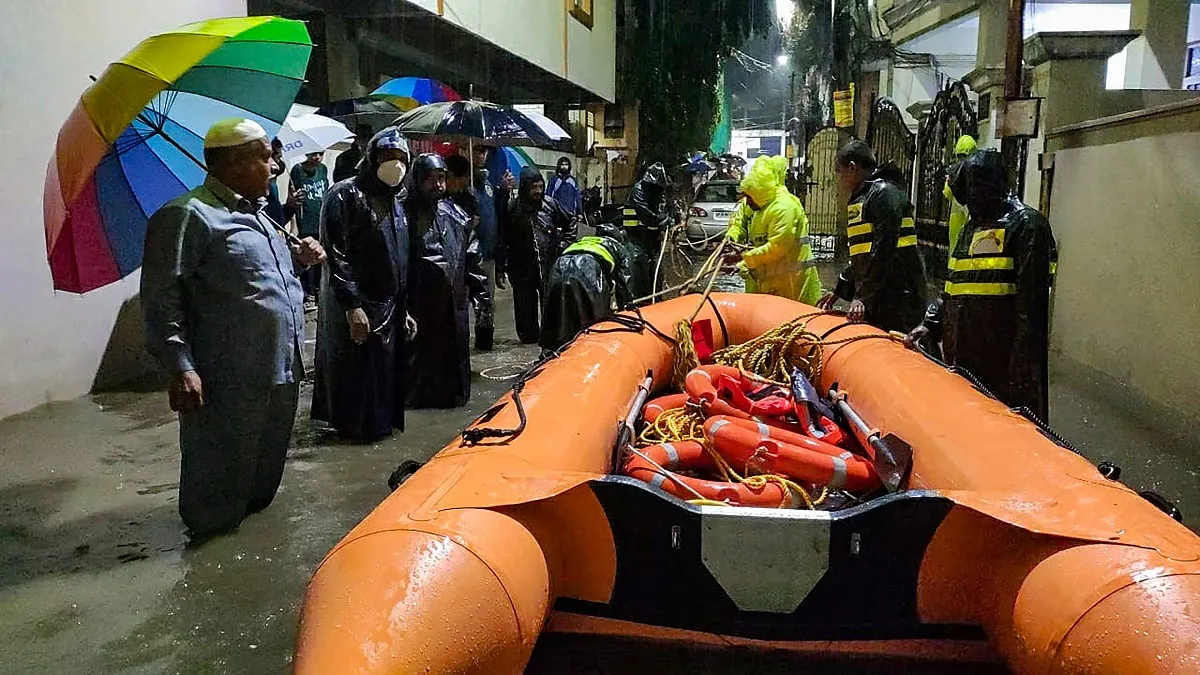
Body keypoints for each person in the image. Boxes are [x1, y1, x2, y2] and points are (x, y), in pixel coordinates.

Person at [140, 118, 326, 540]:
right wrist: (180, 366)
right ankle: (209, 549)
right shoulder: (188, 216)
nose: (276, 166)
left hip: (280, 367)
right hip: (228, 376)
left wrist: (302, 259)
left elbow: (258, 281)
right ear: (234, 162)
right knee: (217, 478)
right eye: (266, 157)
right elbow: (161, 299)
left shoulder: (261, 216)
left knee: (261, 481)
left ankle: (253, 547)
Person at [906, 150, 1058, 420]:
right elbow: (953, 288)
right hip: (964, 363)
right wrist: (930, 323)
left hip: (1001, 369)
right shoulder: (971, 227)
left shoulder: (1026, 226)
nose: (971, 200)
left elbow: (1030, 312)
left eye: (974, 190)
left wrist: (1021, 374)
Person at [311, 127, 416, 442]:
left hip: (389, 303)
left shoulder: (396, 201)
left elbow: (399, 258)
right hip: (358, 303)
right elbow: (336, 253)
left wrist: (404, 307)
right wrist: (351, 306)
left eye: (401, 158)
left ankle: (377, 427)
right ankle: (354, 431)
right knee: (356, 372)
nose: (394, 164)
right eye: (387, 157)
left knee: (384, 374)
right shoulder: (344, 194)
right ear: (371, 159)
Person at [817, 140, 927, 332]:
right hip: (882, 295)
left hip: (899, 298)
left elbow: (883, 250)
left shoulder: (883, 194)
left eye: (839, 172)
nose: (839, 179)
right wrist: (841, 288)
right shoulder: (865, 197)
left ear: (852, 168)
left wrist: (863, 297)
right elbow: (863, 254)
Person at [404, 153, 480, 409]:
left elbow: (471, 251)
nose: (437, 185)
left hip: (454, 302)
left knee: (454, 361)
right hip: (419, 303)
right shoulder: (403, 215)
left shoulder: (455, 213)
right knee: (419, 365)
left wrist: (481, 295)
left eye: (441, 178)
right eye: (430, 179)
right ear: (417, 180)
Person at [724, 156, 821, 304]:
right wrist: (732, 236)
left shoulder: (784, 208)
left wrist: (742, 261)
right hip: (762, 281)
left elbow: (777, 247)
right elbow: (739, 222)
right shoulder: (754, 203)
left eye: (749, 198)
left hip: (793, 285)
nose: (747, 202)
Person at [499, 166, 577, 344]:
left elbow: (570, 220)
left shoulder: (549, 204)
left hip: (547, 263)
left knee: (551, 306)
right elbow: (503, 237)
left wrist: (565, 244)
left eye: (540, 187)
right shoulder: (513, 209)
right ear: (526, 187)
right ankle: (530, 338)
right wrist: (500, 266)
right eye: (533, 187)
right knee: (525, 312)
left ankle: (551, 337)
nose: (538, 191)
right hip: (521, 267)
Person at [539, 222, 634, 352]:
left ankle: (550, 351)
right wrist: (627, 308)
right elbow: (625, 282)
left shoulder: (584, 240)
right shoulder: (618, 247)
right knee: (591, 318)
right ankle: (588, 352)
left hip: (559, 266)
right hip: (587, 268)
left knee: (556, 311)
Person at [622, 162, 674, 298]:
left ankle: (656, 297)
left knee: (655, 271)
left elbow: (663, 207)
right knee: (639, 272)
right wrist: (661, 220)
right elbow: (645, 214)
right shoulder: (638, 190)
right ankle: (639, 300)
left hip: (652, 238)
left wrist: (668, 218)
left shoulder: (658, 191)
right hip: (636, 238)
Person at [290, 151, 330, 307]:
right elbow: (292, 195)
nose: (317, 158)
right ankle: (308, 293)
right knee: (306, 257)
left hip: (320, 220)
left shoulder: (323, 169)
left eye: (321, 154)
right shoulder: (297, 170)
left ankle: (319, 290)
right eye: (314, 154)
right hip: (305, 220)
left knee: (319, 256)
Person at [944, 134, 978, 273]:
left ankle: (952, 283)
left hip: (956, 221)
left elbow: (946, 193)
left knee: (954, 254)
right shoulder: (978, 172)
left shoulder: (953, 174)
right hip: (972, 219)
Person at [265, 138, 299, 228]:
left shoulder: (272, 185)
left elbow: (277, 221)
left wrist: (290, 206)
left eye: (278, 158)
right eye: (266, 158)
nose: (275, 166)